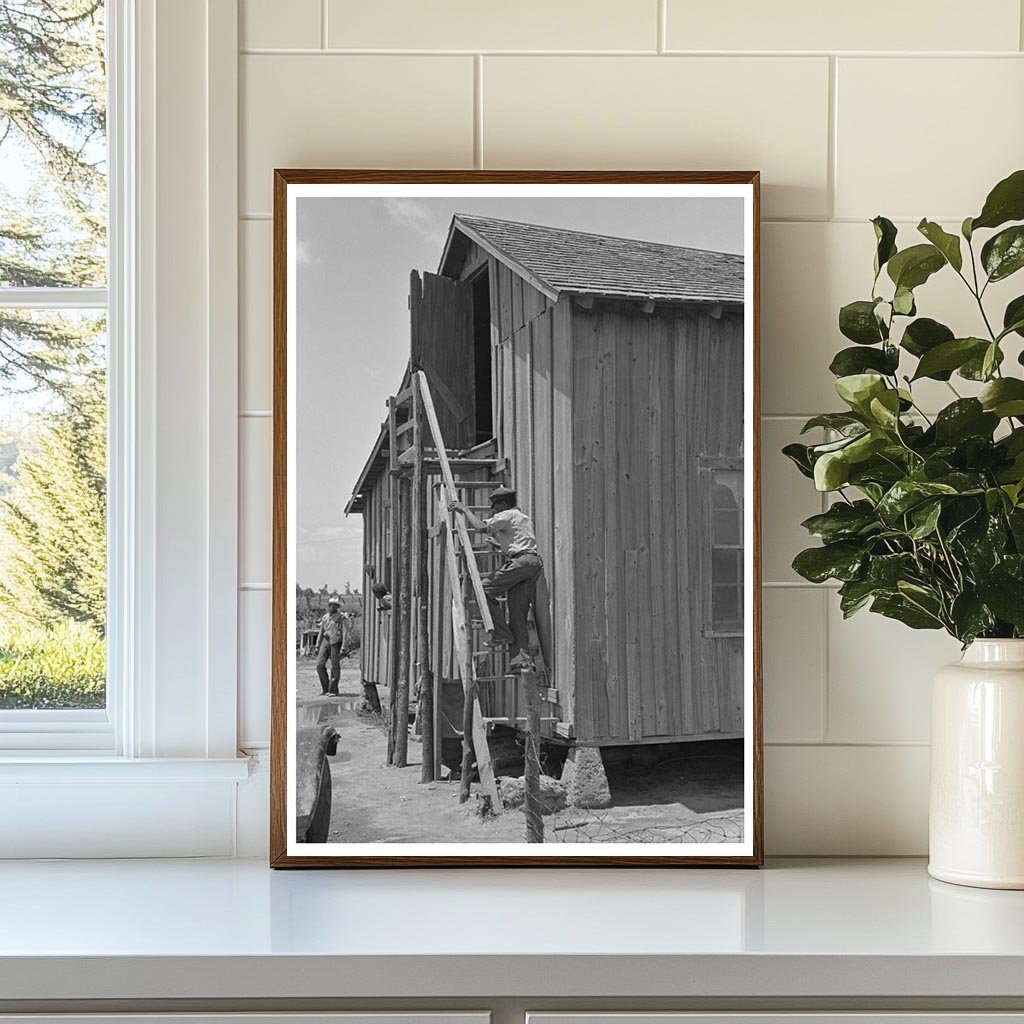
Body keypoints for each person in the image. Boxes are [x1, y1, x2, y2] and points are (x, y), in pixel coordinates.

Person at [448, 486, 541, 670]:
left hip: (521, 562)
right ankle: (520, 660)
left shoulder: (506, 515)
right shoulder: (522, 517)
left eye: (495, 507)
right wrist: (499, 545)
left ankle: (500, 633)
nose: (493, 510)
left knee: (483, 589)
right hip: (531, 563)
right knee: (517, 613)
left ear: (504, 504)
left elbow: (482, 527)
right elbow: (521, 542)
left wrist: (464, 509)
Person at [315, 595, 346, 695]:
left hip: (336, 643)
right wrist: (317, 645)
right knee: (319, 665)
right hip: (325, 641)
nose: (332, 607)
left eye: (335, 605)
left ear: (338, 607)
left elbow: (346, 633)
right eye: (331, 605)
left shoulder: (341, 618)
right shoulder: (325, 617)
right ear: (328, 606)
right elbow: (321, 631)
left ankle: (333, 690)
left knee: (335, 666)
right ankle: (325, 688)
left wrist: (344, 647)